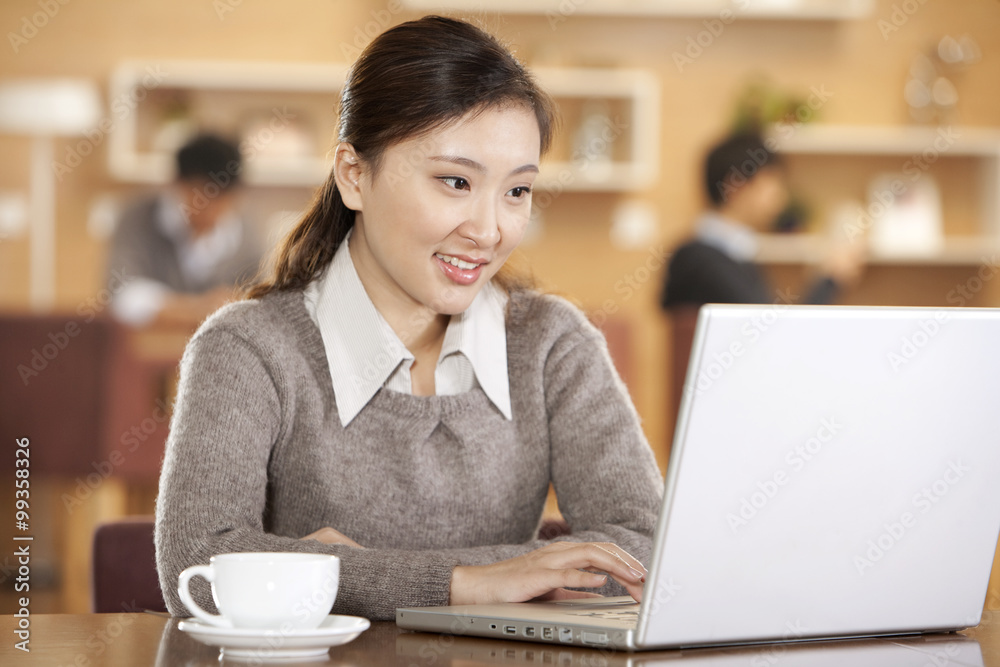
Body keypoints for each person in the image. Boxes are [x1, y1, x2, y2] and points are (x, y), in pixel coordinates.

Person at [155, 16, 664, 622]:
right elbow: (199, 565)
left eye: (517, 191)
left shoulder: (554, 343)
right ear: (354, 175)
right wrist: (466, 585)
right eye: (455, 181)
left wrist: (348, 572)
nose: (489, 230)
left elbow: (647, 549)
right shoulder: (247, 348)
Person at [660, 132, 863, 309]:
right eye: (773, 185)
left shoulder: (728, 254)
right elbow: (771, 335)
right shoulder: (698, 258)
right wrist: (830, 279)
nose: (781, 197)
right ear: (736, 184)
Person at [106, 133, 263, 327]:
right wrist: (196, 309)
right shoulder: (136, 220)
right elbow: (123, 295)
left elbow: (259, 298)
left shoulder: (246, 233)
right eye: (203, 194)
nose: (212, 209)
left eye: (222, 198)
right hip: (150, 348)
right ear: (177, 184)